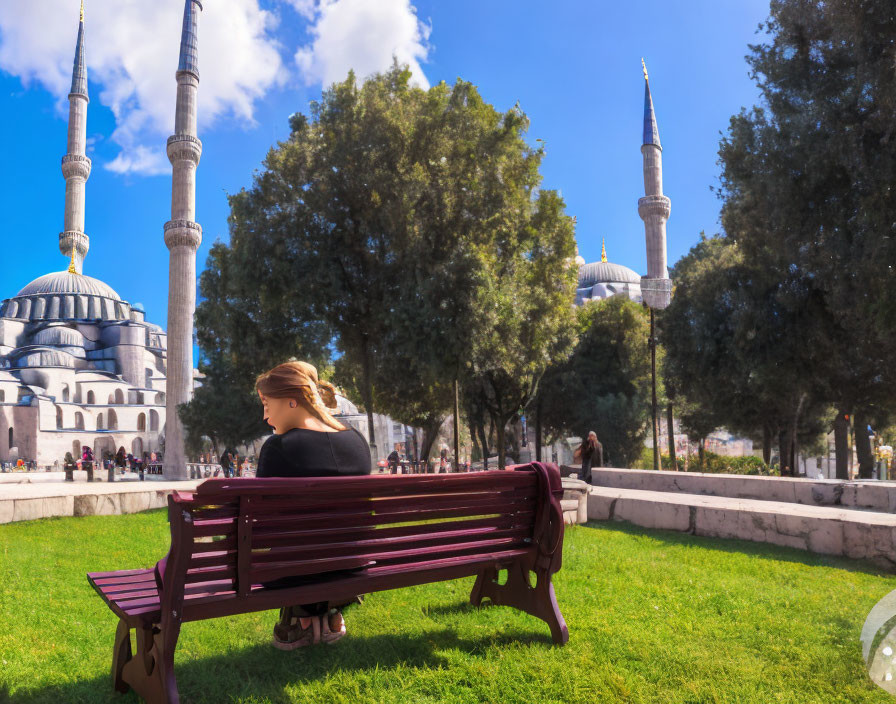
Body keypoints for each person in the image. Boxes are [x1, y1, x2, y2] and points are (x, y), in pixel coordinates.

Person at [255, 360, 371, 650]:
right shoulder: (357, 440)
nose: (265, 415)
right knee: (321, 538)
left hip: (297, 569)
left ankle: (302, 620)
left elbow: (262, 525)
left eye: (268, 404)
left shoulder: (277, 448)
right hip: (351, 566)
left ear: (292, 402)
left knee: (294, 546)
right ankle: (330, 613)